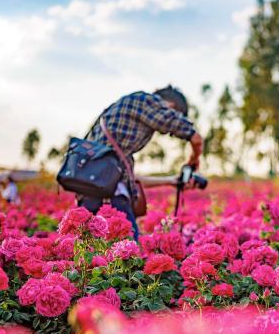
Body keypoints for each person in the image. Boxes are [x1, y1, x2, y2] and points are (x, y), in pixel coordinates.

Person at [79, 86, 204, 239]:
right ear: (171, 107)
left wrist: (171, 181)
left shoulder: (115, 135)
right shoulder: (144, 101)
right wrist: (194, 159)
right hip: (110, 199)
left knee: (93, 253)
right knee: (129, 253)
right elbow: (195, 137)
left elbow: (130, 179)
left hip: (88, 196)